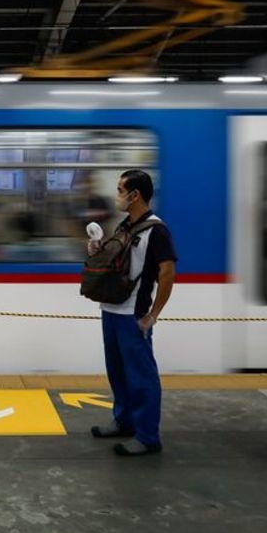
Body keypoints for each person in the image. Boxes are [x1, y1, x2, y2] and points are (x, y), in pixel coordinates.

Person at [89, 169, 176, 456]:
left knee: (141, 376)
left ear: (134, 194)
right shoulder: (125, 225)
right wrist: (97, 248)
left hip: (133, 315)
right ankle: (124, 420)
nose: (117, 196)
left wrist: (153, 314)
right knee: (117, 371)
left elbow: (167, 274)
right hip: (111, 310)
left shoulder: (157, 231)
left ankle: (148, 436)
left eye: (120, 190)